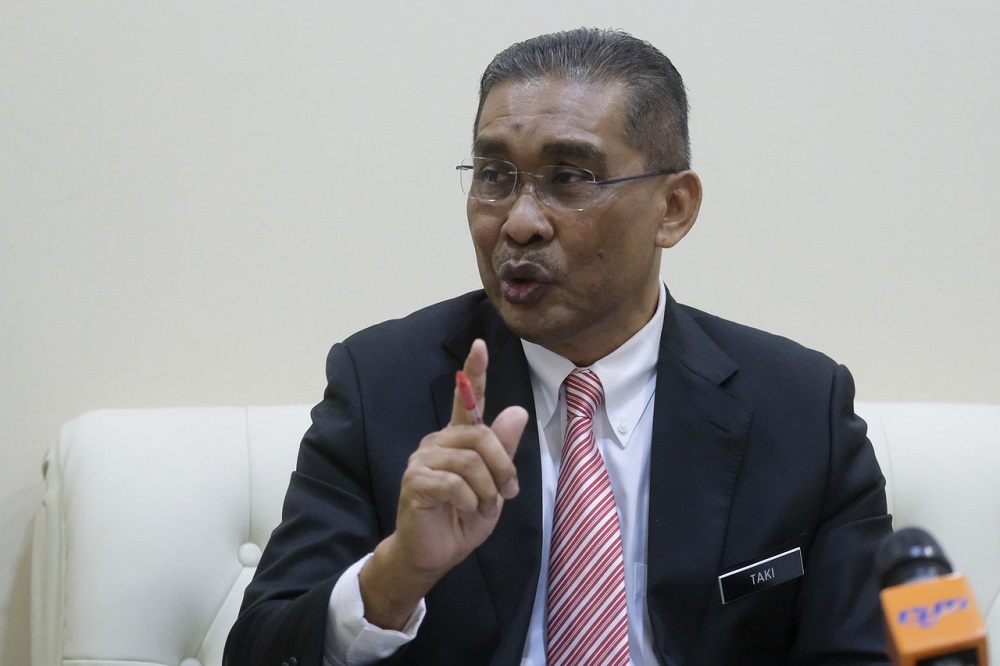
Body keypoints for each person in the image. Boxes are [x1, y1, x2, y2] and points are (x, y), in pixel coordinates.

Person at [224, 28, 892, 665]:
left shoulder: (801, 409)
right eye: (493, 175)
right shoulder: (382, 386)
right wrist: (398, 574)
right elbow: (258, 649)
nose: (517, 221)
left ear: (674, 209)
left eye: (569, 178)